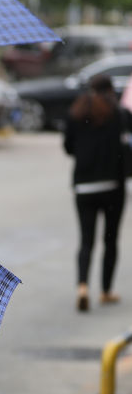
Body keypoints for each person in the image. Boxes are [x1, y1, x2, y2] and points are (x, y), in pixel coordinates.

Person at [63, 74, 131, 312]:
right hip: (112, 187)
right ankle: (105, 290)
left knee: (86, 240)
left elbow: (68, 147)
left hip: (84, 186)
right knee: (110, 240)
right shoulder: (119, 114)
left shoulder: (77, 113)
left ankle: (82, 286)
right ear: (111, 90)